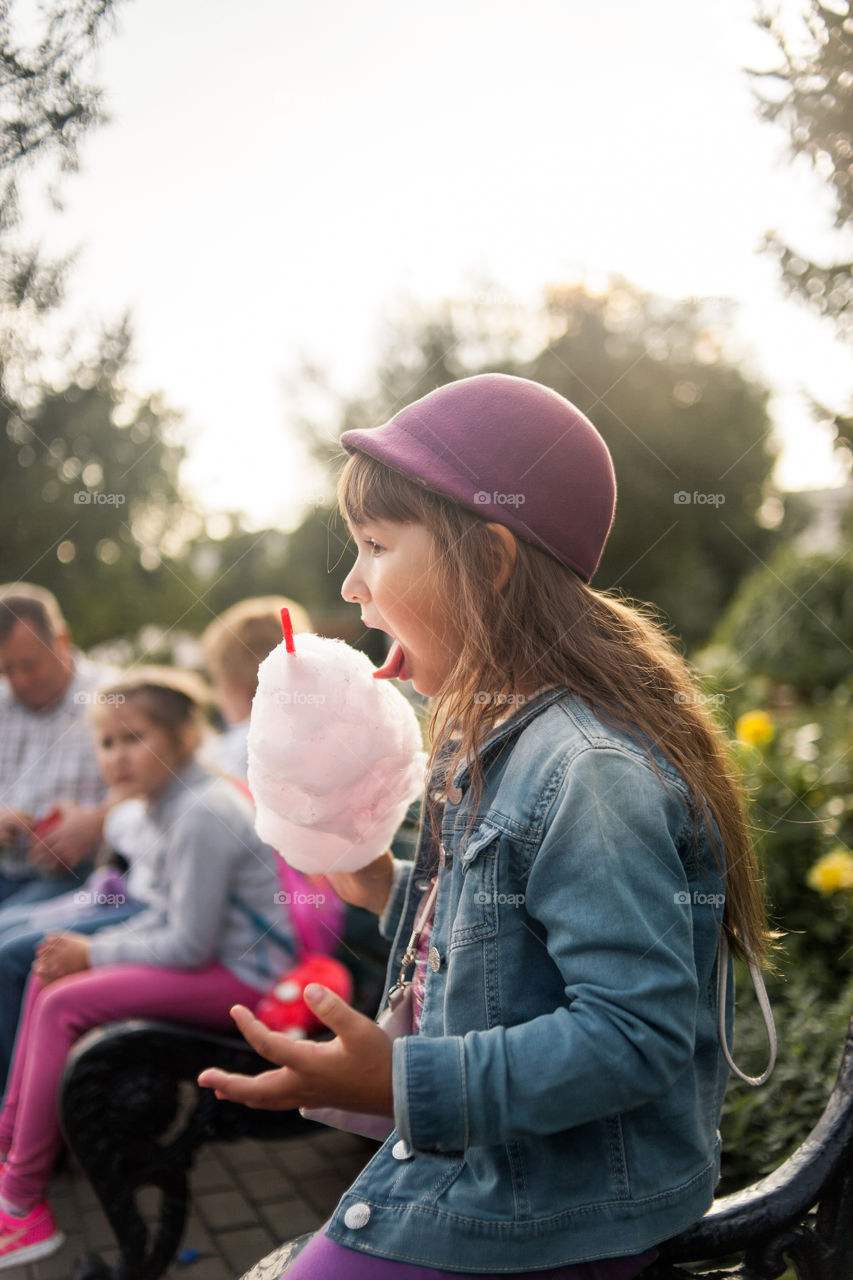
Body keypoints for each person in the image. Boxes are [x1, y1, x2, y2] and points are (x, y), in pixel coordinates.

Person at [198, 374, 771, 1280]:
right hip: (492, 1172)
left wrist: (395, 1081)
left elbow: (632, 1035)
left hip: (560, 1209)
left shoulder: (589, 769)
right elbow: (501, 942)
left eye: (377, 546)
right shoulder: (490, 734)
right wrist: (375, 881)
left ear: (492, 562)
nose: (350, 586)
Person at [0, 667, 296, 1268]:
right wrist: (79, 952)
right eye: (107, 742)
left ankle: (23, 1205)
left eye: (135, 737)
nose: (117, 756)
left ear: (185, 734)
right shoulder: (161, 805)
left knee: (63, 998)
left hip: (251, 978)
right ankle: (9, 1144)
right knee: (49, 969)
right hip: (209, 961)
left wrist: (96, 953)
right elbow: (158, 916)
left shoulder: (200, 812)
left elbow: (188, 943)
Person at [0, 584, 111, 907]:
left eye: (30, 664)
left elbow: (167, 786)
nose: (19, 679)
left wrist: (98, 821)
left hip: (79, 878)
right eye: (6, 669)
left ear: (61, 641)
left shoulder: (113, 697)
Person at [201, 595, 312, 780]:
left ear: (230, 680)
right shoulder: (323, 734)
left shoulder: (221, 760)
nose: (215, 695)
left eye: (216, 679)